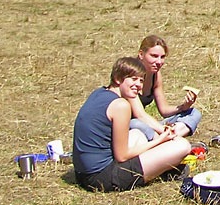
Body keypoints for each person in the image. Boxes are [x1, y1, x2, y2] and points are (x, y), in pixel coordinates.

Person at [72, 57, 191, 192]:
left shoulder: (99, 93)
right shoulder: (121, 105)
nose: (139, 85)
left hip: (82, 174)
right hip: (101, 179)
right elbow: (122, 156)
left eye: (141, 80)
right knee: (182, 146)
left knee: (138, 135)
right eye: (133, 79)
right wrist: (160, 141)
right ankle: (163, 170)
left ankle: (162, 168)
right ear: (117, 79)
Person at [128, 35, 202, 141]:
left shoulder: (155, 75)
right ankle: (166, 139)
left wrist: (184, 106)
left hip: (146, 125)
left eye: (162, 57)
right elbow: (140, 115)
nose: (159, 62)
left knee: (194, 113)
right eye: (154, 56)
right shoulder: (131, 76)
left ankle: (164, 139)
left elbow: (164, 110)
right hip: (130, 127)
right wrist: (163, 130)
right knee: (136, 124)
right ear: (141, 54)